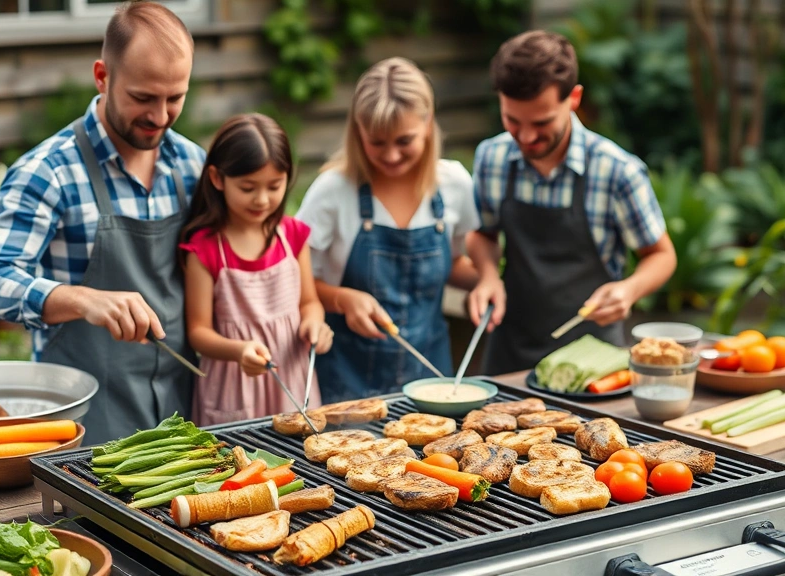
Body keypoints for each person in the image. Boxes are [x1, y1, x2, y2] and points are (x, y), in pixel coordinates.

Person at [0, 2, 205, 443]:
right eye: (143, 97)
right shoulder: (48, 172)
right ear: (102, 76)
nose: (160, 116)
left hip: (183, 417)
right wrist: (80, 299)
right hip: (83, 425)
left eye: (176, 98)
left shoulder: (192, 164)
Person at [466, 30, 677, 375]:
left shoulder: (617, 171)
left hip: (591, 364)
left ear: (574, 98)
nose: (527, 137)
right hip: (509, 357)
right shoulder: (492, 158)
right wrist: (488, 275)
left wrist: (629, 290)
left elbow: (661, 255)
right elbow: (483, 234)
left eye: (542, 122)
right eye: (512, 121)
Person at [296, 57, 482, 403]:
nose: (392, 155)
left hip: (431, 379)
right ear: (358, 131)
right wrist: (343, 299)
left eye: (404, 140)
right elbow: (291, 277)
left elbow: (454, 264)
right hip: (347, 382)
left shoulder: (453, 183)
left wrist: (488, 280)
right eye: (377, 142)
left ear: (428, 125)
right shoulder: (333, 190)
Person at [180, 114, 333, 426]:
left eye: (274, 186)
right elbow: (198, 332)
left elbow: (309, 302)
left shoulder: (293, 235)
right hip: (234, 386)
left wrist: (315, 323)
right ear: (218, 179)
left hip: (293, 378)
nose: (262, 199)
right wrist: (239, 350)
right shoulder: (205, 248)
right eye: (248, 187)